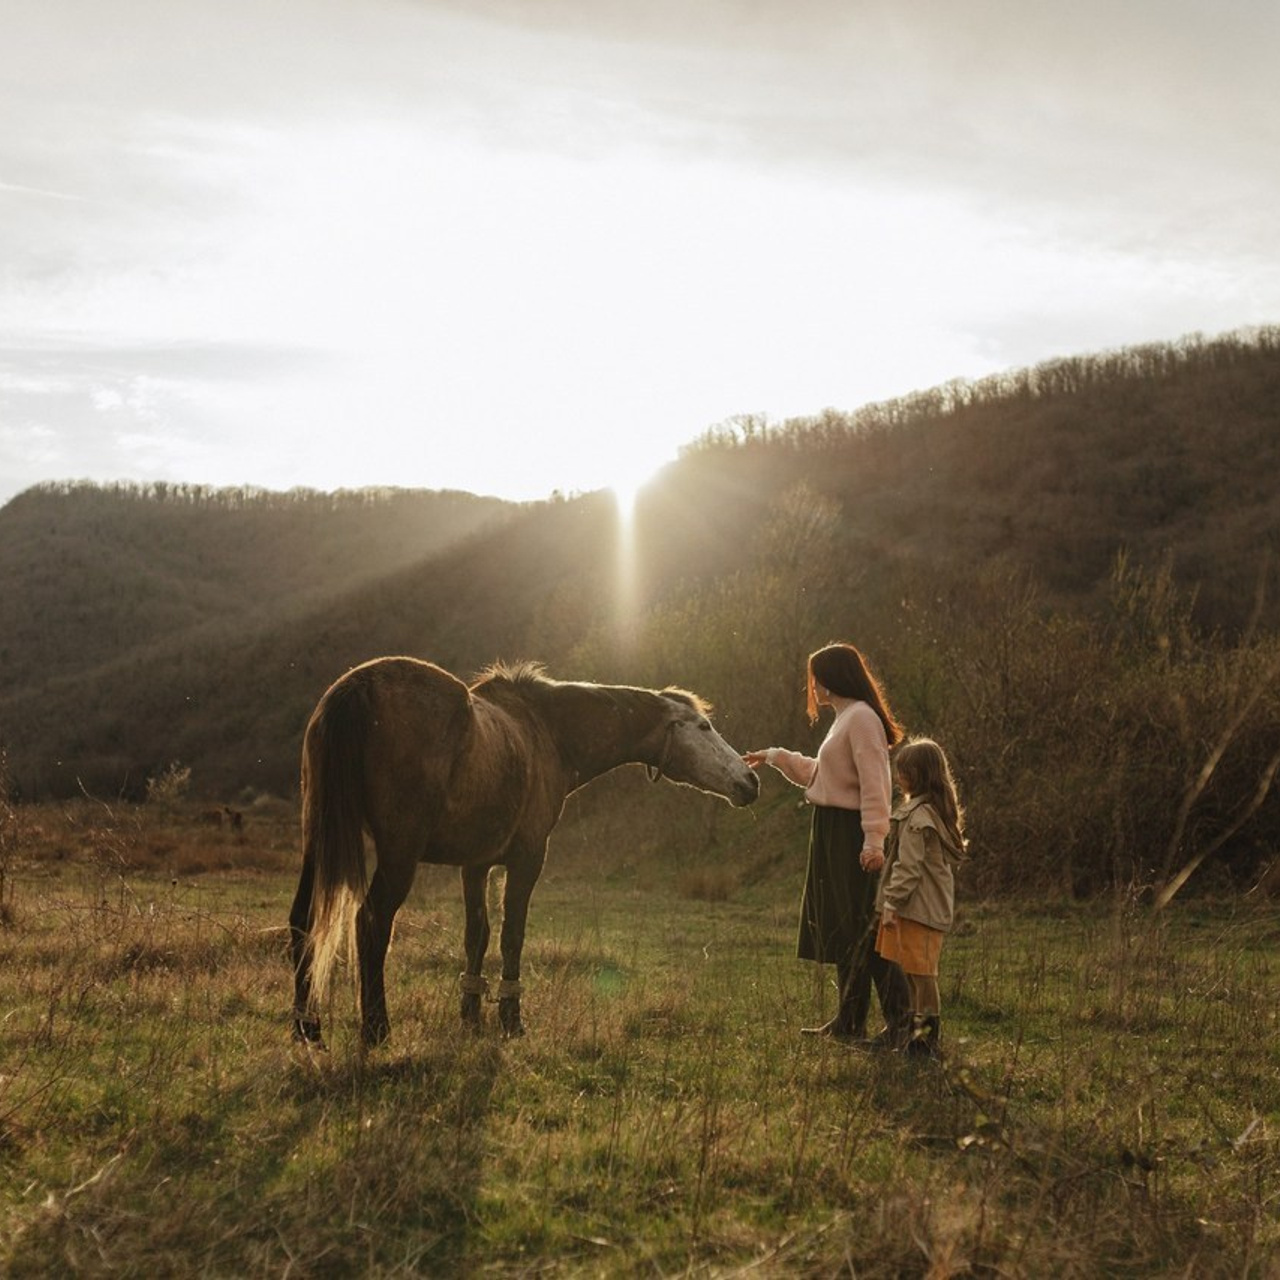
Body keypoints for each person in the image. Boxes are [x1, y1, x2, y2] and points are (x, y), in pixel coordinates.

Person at [744, 642, 910, 1044]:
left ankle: (903, 1023)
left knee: (865, 928)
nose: (813, 686)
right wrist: (774, 756)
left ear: (835, 677)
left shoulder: (862, 720)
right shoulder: (846, 719)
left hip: (851, 831)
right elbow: (822, 774)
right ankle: (849, 1022)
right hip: (832, 829)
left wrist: (873, 840)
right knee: (843, 926)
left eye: (816, 677)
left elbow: (876, 784)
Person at [874, 737, 966, 1060]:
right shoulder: (931, 811)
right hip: (923, 909)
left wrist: (891, 903)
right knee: (915, 975)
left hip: (917, 910)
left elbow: (908, 868)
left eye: (904, 772)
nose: (898, 778)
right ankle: (918, 1040)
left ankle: (925, 1044)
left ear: (919, 775)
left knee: (922, 978)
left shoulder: (918, 817)